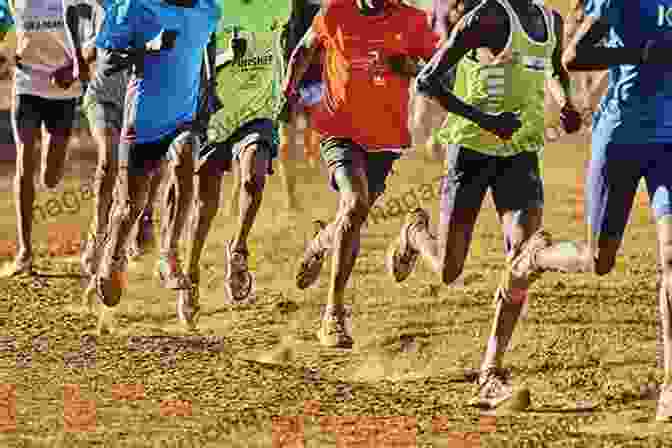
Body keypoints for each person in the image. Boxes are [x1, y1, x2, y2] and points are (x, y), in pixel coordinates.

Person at [385, 0, 582, 407]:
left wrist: (565, 103)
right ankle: (415, 233)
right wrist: (487, 121)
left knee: (523, 258)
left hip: (521, 154)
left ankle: (490, 372)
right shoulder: (488, 17)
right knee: (449, 269)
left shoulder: (550, 21)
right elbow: (426, 80)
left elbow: (556, 70)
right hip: (470, 151)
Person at [282, 0, 512, 348]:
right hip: (338, 129)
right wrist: (287, 92)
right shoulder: (335, 11)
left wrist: (412, 66)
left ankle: (319, 243)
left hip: (385, 138)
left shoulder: (412, 20)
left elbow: (442, 69)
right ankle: (333, 314)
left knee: (353, 214)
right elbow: (304, 49)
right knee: (355, 203)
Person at [492, 0, 672, 420]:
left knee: (670, 254)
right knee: (598, 259)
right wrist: (638, 54)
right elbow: (574, 56)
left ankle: (669, 387)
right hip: (621, 137)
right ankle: (534, 257)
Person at [85, 0, 221, 331]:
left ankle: (168, 253)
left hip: (184, 120)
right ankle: (112, 257)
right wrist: (150, 46)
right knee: (130, 206)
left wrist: (211, 83)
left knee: (187, 159)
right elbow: (109, 59)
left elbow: (207, 45)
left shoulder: (209, 10)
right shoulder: (136, 8)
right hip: (142, 123)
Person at [182, 7, 282, 319]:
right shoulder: (211, 8)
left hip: (258, 113)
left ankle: (238, 251)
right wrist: (226, 57)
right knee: (203, 205)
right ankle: (190, 274)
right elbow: (195, 59)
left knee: (253, 178)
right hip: (216, 115)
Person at [62, 0, 162, 282]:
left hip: (141, 101)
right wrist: (80, 60)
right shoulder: (105, 6)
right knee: (109, 159)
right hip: (103, 98)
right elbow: (72, 11)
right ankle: (98, 233)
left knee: (149, 166)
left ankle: (145, 218)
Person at [0, 0, 84, 276]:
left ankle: (52, 155)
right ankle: (25, 251)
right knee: (25, 164)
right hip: (26, 85)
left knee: (51, 177)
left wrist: (74, 66)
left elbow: (94, 29)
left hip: (63, 88)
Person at [274, 0, 323, 212]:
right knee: (286, 143)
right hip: (286, 80)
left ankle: (317, 184)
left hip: (315, 78)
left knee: (317, 139)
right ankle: (290, 196)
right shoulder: (278, 9)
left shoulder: (318, 8)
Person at [409, 0, 467, 161]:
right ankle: (433, 140)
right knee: (420, 119)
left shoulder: (464, 6)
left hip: (453, 64)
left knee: (444, 111)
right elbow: (427, 29)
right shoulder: (436, 4)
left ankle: (440, 143)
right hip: (433, 60)